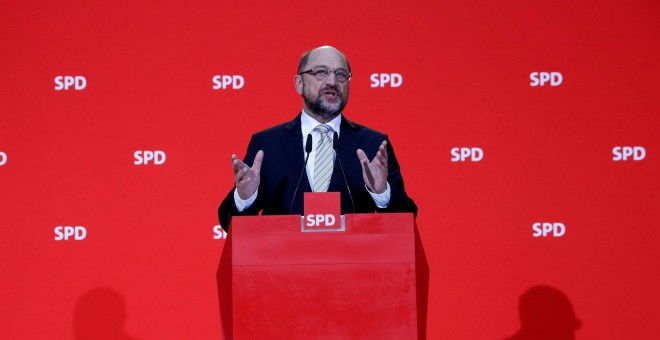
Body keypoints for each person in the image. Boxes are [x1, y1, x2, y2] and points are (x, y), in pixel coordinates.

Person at [218, 46, 417, 231]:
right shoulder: (268, 144)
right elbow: (230, 224)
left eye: (341, 75)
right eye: (321, 72)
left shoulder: (373, 144)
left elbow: (406, 222)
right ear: (299, 83)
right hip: (283, 265)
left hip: (355, 265)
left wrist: (382, 194)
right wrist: (245, 197)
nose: (332, 82)